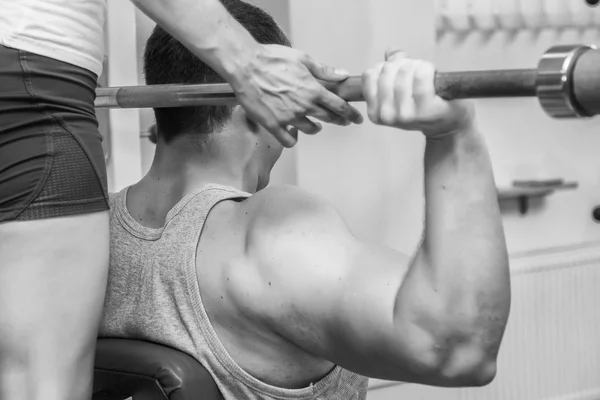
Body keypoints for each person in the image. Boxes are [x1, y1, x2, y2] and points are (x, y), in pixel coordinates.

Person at [99, 1, 512, 399]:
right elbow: (459, 350)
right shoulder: (266, 233)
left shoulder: (90, 230)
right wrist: (454, 139)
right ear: (261, 109)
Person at [0, 0, 361, 398]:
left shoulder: (107, 230)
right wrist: (442, 136)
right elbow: (434, 341)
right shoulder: (283, 233)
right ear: (253, 108)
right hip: (38, 84)